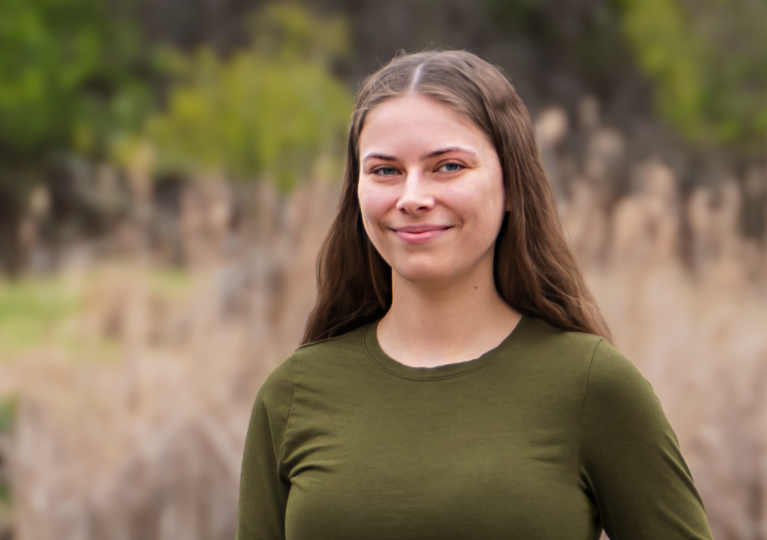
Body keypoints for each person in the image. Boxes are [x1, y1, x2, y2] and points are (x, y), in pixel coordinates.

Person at [236, 49, 714, 540]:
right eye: (385, 171)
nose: (412, 197)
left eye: (448, 166)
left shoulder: (594, 385)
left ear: (511, 185)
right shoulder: (293, 394)